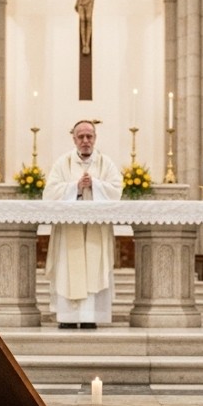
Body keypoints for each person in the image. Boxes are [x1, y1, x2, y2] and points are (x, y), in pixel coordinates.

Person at [42, 119, 123, 329]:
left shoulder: (106, 163)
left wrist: (95, 184)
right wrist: (76, 187)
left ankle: (90, 316)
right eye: (81, 137)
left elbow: (116, 190)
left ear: (95, 138)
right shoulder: (62, 163)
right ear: (74, 139)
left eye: (89, 136)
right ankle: (67, 317)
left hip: (96, 228)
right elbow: (49, 193)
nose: (85, 140)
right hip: (69, 228)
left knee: (94, 271)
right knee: (67, 271)